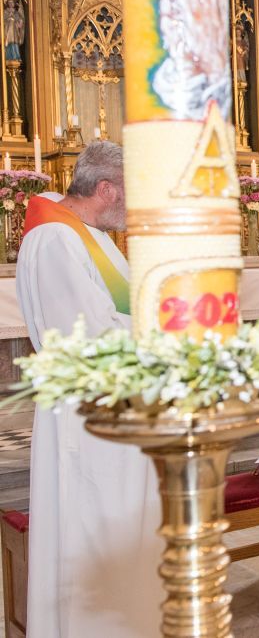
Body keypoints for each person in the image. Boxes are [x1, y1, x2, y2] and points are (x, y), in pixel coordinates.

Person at [16, 141, 164, 636]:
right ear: (106, 189)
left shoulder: (88, 236)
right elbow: (86, 338)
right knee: (93, 526)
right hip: (88, 416)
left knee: (120, 529)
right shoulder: (55, 239)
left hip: (117, 407)